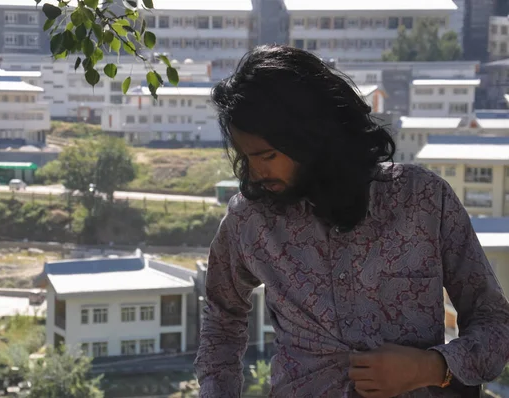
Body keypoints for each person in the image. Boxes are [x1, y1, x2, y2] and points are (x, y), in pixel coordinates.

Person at [193, 45, 509, 397]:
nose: (255, 172)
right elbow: (221, 323)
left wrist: (432, 367)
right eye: (245, 157)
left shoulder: (423, 199)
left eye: (267, 155)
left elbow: (494, 320)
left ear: (313, 137)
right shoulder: (249, 220)